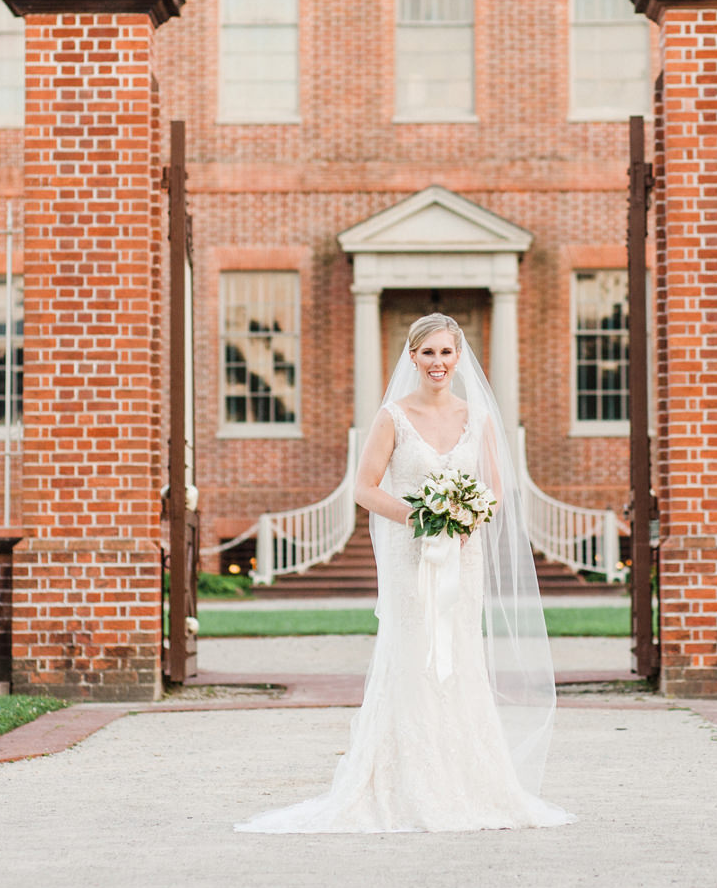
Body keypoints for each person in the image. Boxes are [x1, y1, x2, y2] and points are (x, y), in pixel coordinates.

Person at [236, 313, 573, 834]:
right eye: (428, 353)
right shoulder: (393, 416)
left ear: (459, 358)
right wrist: (421, 517)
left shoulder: (479, 418)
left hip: (461, 557)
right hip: (409, 557)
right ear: (412, 358)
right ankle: (403, 784)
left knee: (459, 657)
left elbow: (496, 489)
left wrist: (466, 515)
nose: (438, 363)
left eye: (446, 353)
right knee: (412, 654)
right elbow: (365, 489)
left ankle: (469, 784)